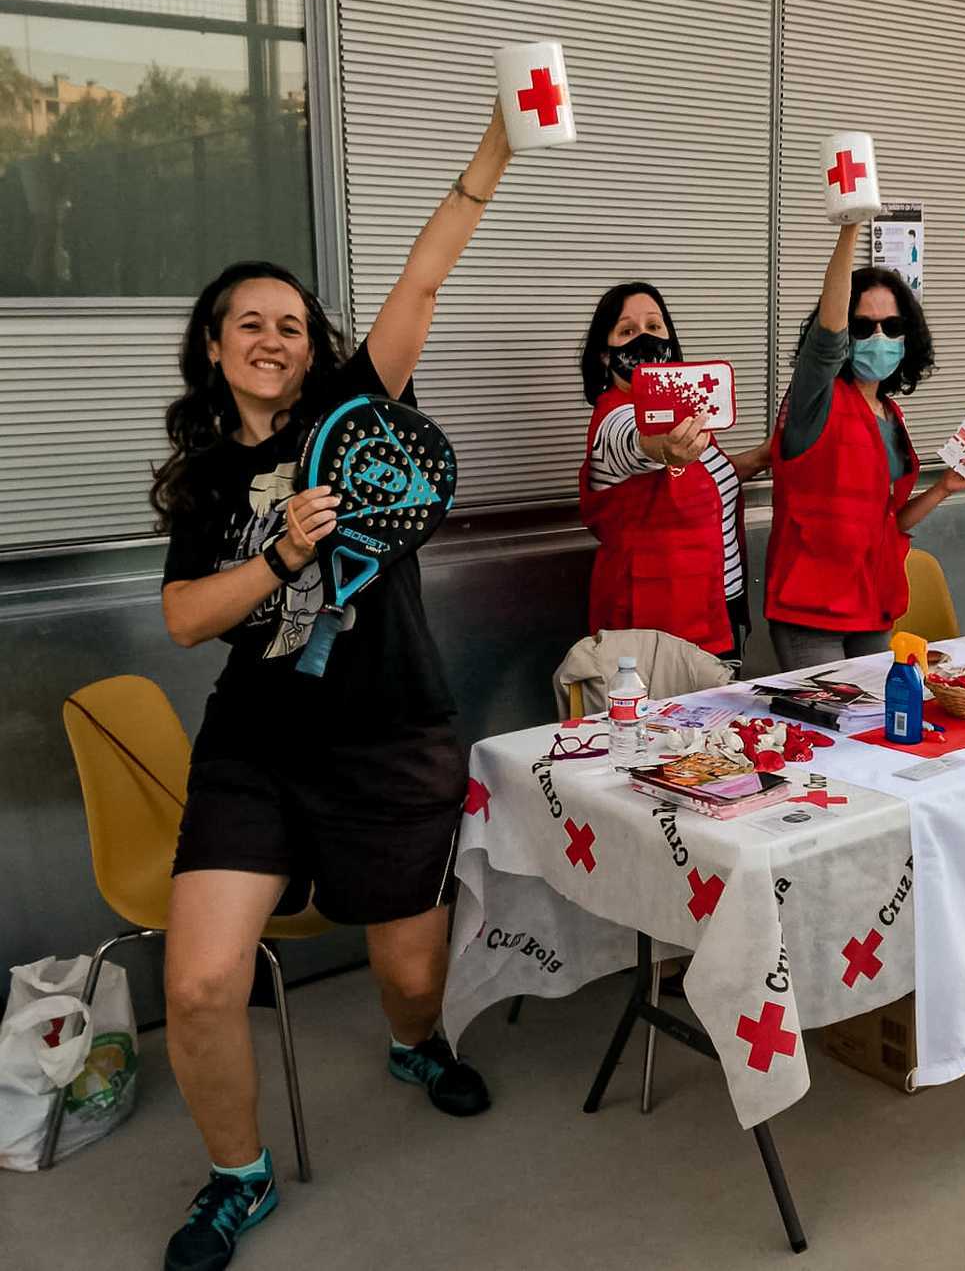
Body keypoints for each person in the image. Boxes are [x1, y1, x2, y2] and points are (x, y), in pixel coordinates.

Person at [150, 104, 515, 1271]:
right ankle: (237, 1179)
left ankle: (414, 1046)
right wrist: (280, 556)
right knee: (203, 983)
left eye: (291, 324)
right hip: (255, 746)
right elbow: (183, 617)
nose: (272, 338)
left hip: (392, 733)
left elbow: (423, 274)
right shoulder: (207, 480)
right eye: (247, 323)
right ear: (214, 345)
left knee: (409, 975)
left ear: (316, 347)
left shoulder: (357, 419)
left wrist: (499, 142)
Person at [764, 223, 965, 671]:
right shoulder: (817, 397)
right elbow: (825, 342)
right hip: (812, 609)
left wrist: (943, 488)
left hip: (873, 603)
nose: (879, 337)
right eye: (863, 326)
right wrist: (851, 224)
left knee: (876, 727)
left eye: (892, 326)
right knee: (830, 729)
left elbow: (889, 523)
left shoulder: (890, 415)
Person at [578, 282, 771, 666]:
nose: (645, 339)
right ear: (604, 355)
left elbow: (703, 481)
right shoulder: (614, 418)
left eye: (654, 326)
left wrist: (766, 455)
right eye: (627, 331)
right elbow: (638, 445)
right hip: (658, 634)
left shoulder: (681, 417)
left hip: (718, 609)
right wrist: (663, 448)